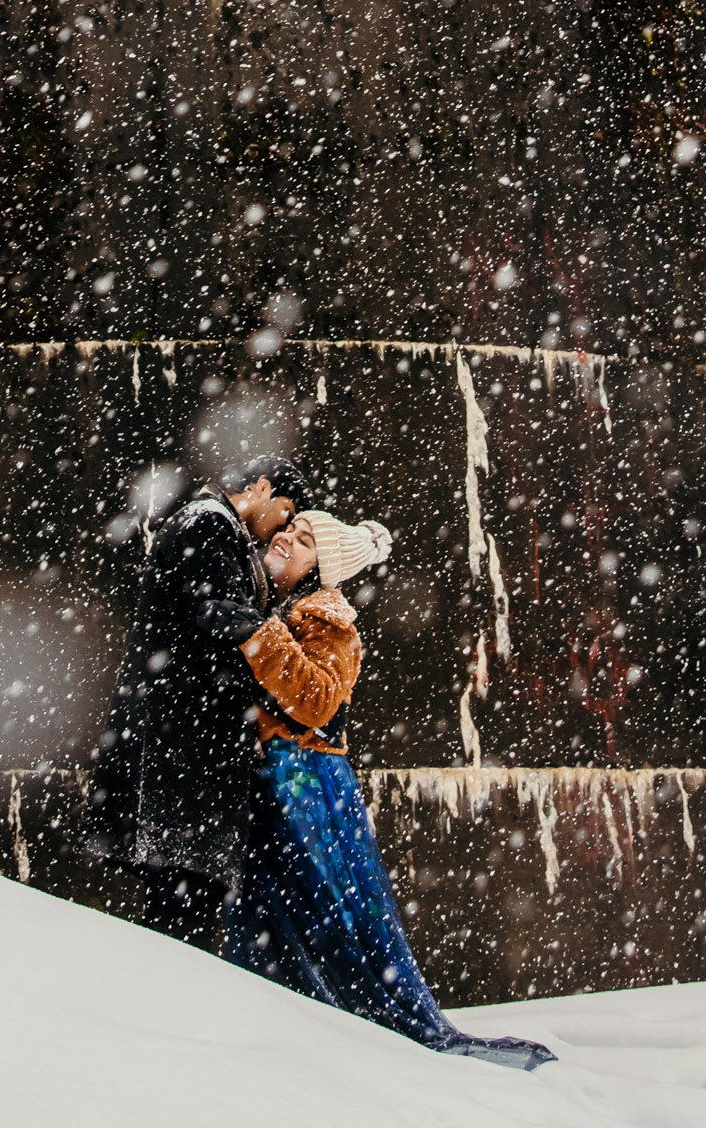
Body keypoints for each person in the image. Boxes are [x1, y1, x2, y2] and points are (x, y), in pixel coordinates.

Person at [223, 508, 555, 1071]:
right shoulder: (287, 611)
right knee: (281, 914)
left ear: (319, 570)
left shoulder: (329, 621)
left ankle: (339, 1034)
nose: (286, 538)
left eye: (305, 541)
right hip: (286, 785)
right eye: (291, 529)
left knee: (329, 916)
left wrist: (259, 635)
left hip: (306, 790)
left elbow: (317, 700)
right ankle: (278, 1024)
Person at [82, 457, 311, 947]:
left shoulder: (213, 528)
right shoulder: (208, 523)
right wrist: (285, 658)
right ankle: (167, 1015)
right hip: (183, 750)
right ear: (263, 488)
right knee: (182, 910)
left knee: (183, 904)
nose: (284, 527)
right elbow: (218, 614)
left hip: (186, 748)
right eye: (286, 512)